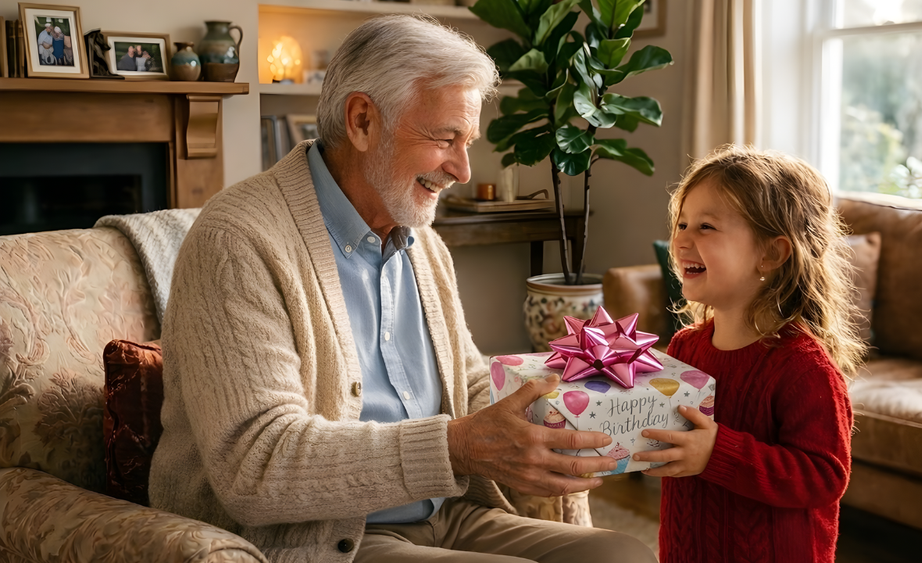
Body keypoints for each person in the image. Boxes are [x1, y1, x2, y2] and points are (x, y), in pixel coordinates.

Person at [149, 14, 655, 563]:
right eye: (445, 138)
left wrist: (574, 421)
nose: (462, 169)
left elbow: (465, 383)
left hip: (449, 513)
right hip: (324, 537)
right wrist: (458, 445)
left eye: (468, 142)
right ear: (363, 120)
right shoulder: (238, 239)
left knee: (621, 555)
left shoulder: (420, 239)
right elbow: (257, 463)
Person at [632, 145, 865, 563]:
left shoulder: (802, 367)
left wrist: (717, 453)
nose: (681, 239)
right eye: (682, 223)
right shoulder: (685, 348)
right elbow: (663, 434)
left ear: (771, 254)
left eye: (706, 227)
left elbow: (824, 476)